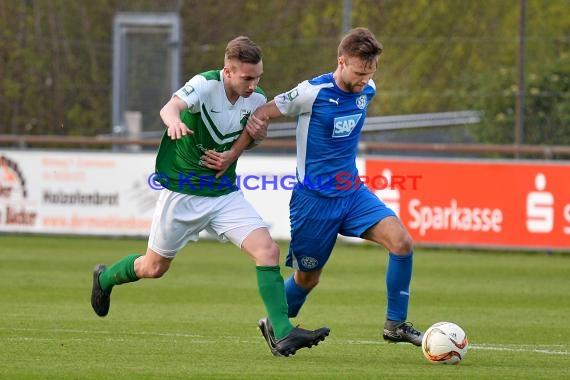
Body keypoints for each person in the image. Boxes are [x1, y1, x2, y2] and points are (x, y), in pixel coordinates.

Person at [90, 36, 330, 357]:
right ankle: (105, 278)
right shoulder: (205, 84)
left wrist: (242, 148)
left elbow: (250, 135)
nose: (254, 84)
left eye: (258, 76)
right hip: (183, 191)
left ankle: (282, 332)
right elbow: (170, 106)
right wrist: (174, 122)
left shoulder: (256, 98)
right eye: (247, 77)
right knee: (154, 267)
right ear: (227, 72)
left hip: (223, 194)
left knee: (268, 251)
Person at [202, 28, 423, 348]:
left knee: (402, 243)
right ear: (341, 61)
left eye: (370, 72)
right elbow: (263, 112)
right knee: (308, 278)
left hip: (352, 192)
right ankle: (277, 325)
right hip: (313, 202)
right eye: (359, 72)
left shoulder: (368, 88)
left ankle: (395, 324)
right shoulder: (311, 92)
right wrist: (233, 153)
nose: (364, 79)